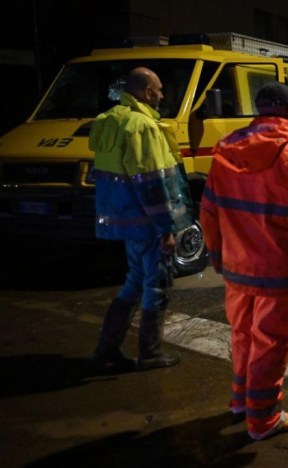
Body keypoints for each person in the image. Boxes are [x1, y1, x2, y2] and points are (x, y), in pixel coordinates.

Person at [200, 81, 288, 441]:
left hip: (237, 268)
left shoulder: (227, 147)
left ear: (260, 109)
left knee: (243, 337)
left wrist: (217, 256)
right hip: (278, 272)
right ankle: (262, 420)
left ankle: (241, 402)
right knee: (271, 345)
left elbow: (209, 211)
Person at [89, 67, 193, 372]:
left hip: (127, 221)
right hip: (148, 224)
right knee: (156, 284)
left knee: (134, 282)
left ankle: (107, 347)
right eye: (159, 89)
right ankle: (150, 352)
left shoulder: (112, 122)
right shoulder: (142, 126)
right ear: (147, 92)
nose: (162, 95)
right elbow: (150, 183)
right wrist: (165, 229)